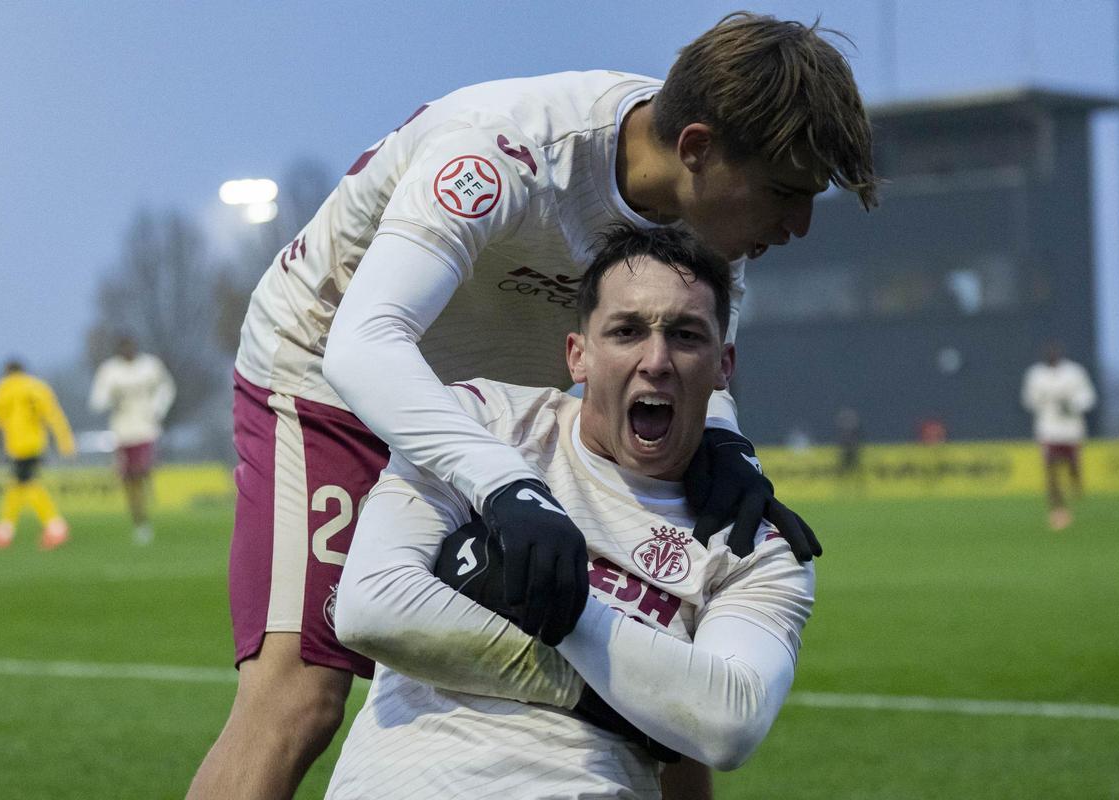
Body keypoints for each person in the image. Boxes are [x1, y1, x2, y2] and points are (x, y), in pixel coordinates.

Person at [188, 12, 873, 799]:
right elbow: (366, 342)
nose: (800, 226)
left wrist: (727, 446)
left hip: (504, 394)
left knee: (671, 673)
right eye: (787, 193)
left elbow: (703, 362)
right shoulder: (506, 149)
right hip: (332, 368)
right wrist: (504, 482)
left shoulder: (706, 221)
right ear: (695, 150)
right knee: (301, 697)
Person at [326, 224, 814, 799]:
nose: (656, 360)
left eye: (685, 335)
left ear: (723, 366)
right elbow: (370, 607)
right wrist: (616, 700)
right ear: (578, 356)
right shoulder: (483, 425)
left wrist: (552, 602)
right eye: (627, 331)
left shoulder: (757, 543)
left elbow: (728, 722)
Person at [89, 335, 176, 545]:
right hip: (122, 431)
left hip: (146, 429)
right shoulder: (109, 371)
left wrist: (157, 409)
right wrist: (110, 398)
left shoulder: (150, 366)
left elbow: (167, 388)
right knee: (129, 480)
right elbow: (96, 401)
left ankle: (146, 494)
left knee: (141, 471)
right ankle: (140, 521)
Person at [0, 360, 75, 550]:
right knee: (18, 484)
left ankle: (55, 526)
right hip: (36, 443)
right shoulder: (37, 387)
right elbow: (53, 414)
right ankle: (5, 529)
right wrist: (65, 441)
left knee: (27, 484)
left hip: (16, 444)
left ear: (7, 371)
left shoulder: (3, 388)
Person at [1021, 342, 1097, 530]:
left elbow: (1088, 396)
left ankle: (1075, 486)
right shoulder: (1035, 375)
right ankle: (1058, 509)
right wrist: (1045, 400)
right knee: (1051, 468)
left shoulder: (1074, 372)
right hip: (1048, 428)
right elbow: (1029, 400)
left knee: (1072, 466)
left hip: (1071, 429)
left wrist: (1072, 404)